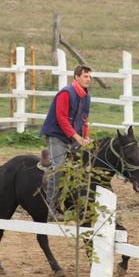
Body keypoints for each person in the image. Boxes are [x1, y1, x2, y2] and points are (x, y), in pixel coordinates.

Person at [39, 65, 92, 213]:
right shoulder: (66, 93)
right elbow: (61, 119)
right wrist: (77, 137)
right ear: (76, 77)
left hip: (71, 136)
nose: (88, 80)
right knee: (60, 168)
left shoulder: (86, 96)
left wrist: (85, 137)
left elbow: (84, 119)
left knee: (83, 165)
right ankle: (49, 208)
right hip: (56, 134)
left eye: (89, 77)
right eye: (85, 76)